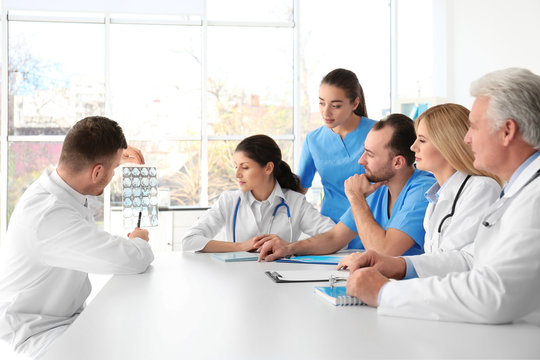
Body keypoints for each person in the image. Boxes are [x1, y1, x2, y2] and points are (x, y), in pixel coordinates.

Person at [340, 68, 540, 325]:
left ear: (507, 130)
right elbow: (471, 258)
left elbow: (495, 293)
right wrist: (400, 266)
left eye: (474, 127)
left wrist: (385, 292)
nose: (467, 139)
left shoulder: (532, 199)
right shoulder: (518, 190)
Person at [0, 116, 155, 359]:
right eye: (114, 169)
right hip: (38, 335)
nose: (115, 174)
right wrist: (139, 239)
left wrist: (115, 155)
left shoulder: (57, 190)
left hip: (65, 320)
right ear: (97, 171)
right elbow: (132, 259)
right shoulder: (49, 216)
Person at [258, 114, 435, 261]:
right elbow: (335, 238)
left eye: (370, 155)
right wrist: (289, 248)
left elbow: (385, 251)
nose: (361, 160)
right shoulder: (381, 187)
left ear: (398, 162)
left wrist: (356, 197)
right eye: (364, 151)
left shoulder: (423, 191)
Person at [182, 135, 335, 252]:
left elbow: (335, 238)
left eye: (245, 167)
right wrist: (242, 246)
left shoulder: (295, 202)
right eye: (236, 166)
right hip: (238, 283)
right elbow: (189, 241)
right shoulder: (229, 201)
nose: (237, 174)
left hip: (280, 283)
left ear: (268, 168)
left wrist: (289, 247)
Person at [298, 68, 376, 229]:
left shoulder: (378, 132)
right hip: (330, 227)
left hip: (373, 223)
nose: (326, 112)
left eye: (335, 106)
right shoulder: (313, 140)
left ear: (355, 103)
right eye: (321, 103)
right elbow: (298, 190)